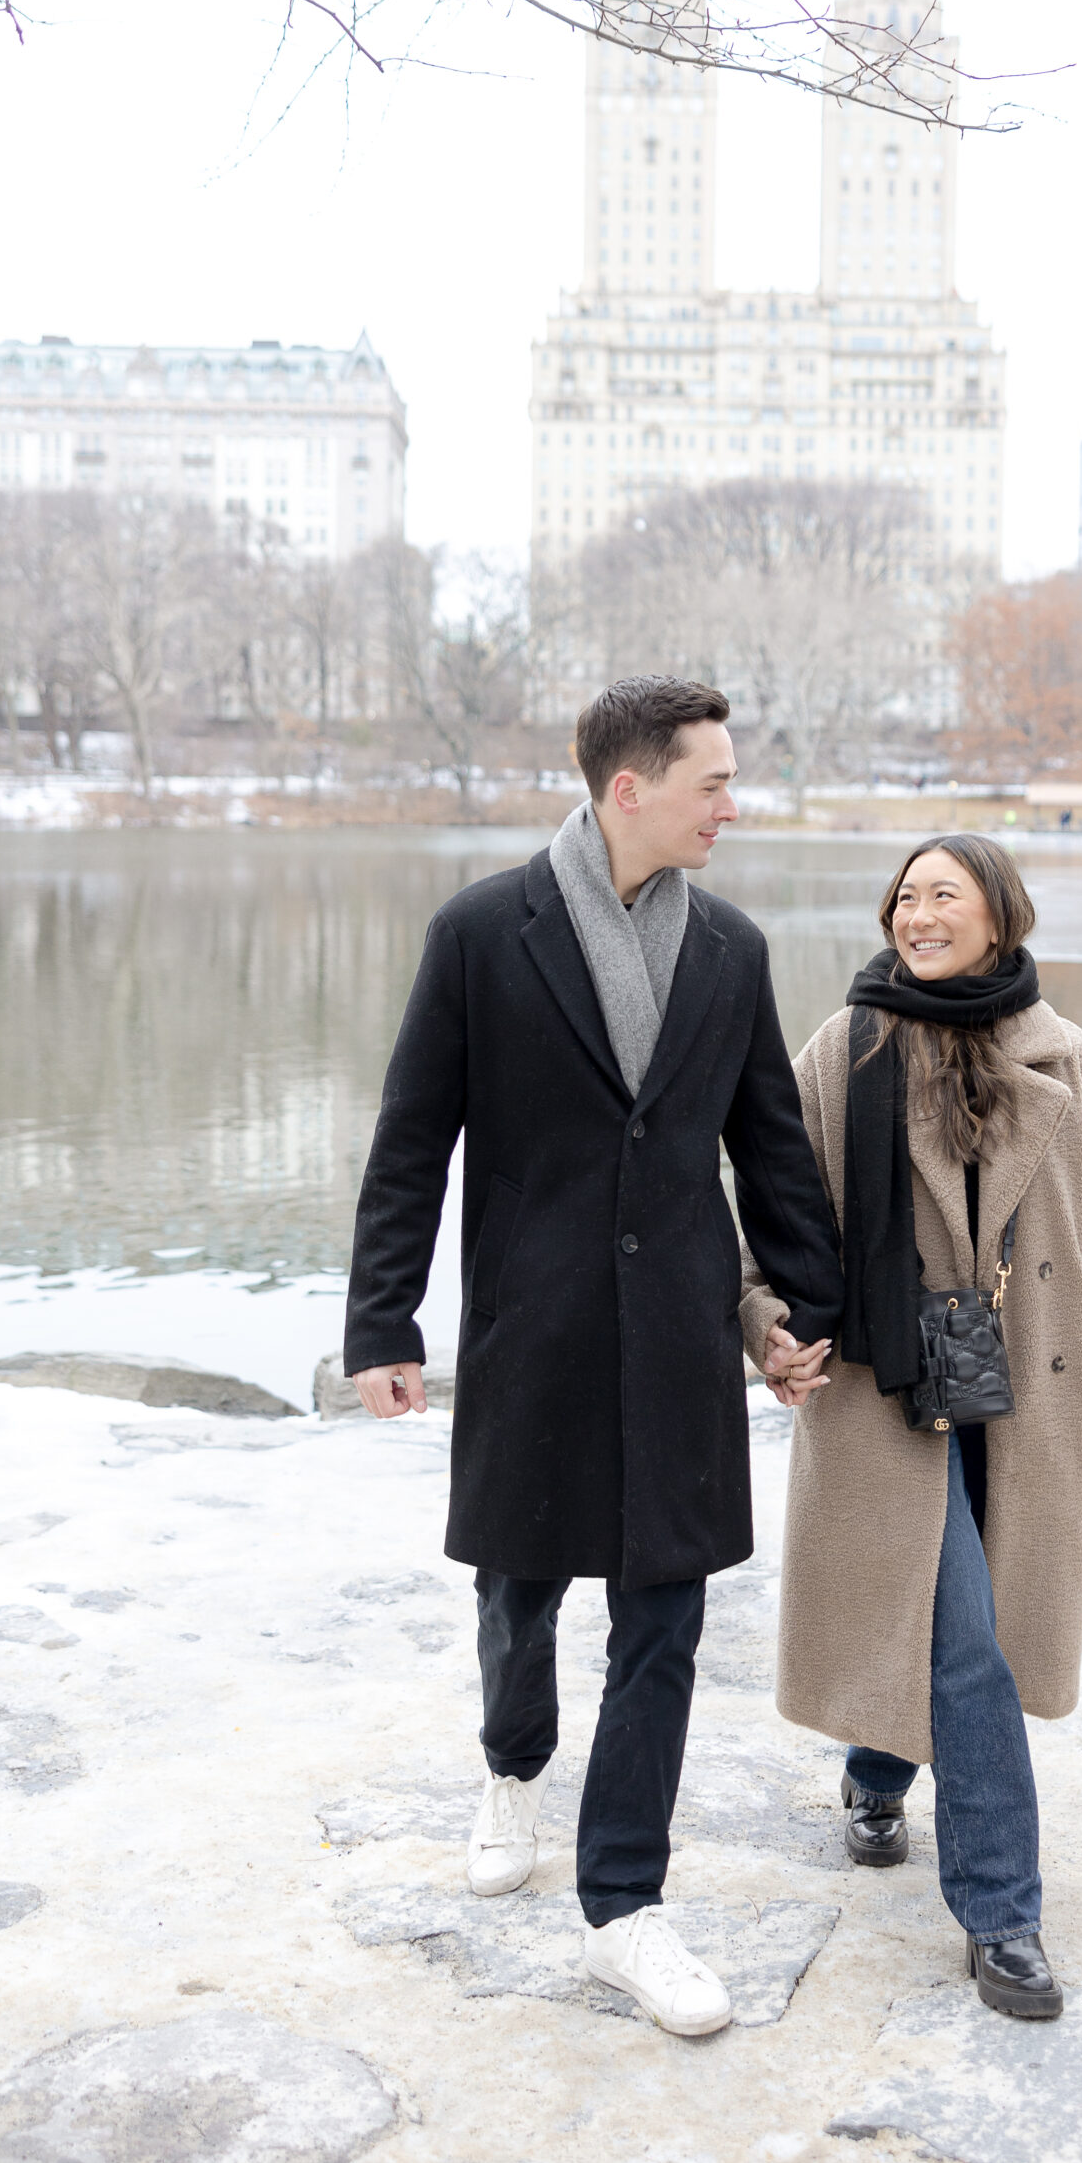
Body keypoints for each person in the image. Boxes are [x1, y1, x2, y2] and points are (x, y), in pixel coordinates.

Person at [343, 676, 844, 2037]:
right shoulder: (477, 934)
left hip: (679, 1333)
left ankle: (624, 1903)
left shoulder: (729, 949)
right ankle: (511, 1764)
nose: (731, 805)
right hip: (533, 1327)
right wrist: (383, 1321)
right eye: (712, 784)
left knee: (664, 1621)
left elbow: (770, 1147)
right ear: (629, 788)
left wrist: (806, 1304)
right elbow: (411, 1140)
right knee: (520, 1589)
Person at [741, 834, 1082, 2019]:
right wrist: (765, 1321)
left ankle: (877, 1772)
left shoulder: (1069, 1063)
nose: (918, 916)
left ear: (998, 918)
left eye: (944, 897)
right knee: (964, 1636)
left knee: (945, 1610)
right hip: (882, 1388)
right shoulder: (845, 1047)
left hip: (1022, 1393)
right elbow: (776, 1210)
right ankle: (1003, 1912)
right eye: (905, 898)